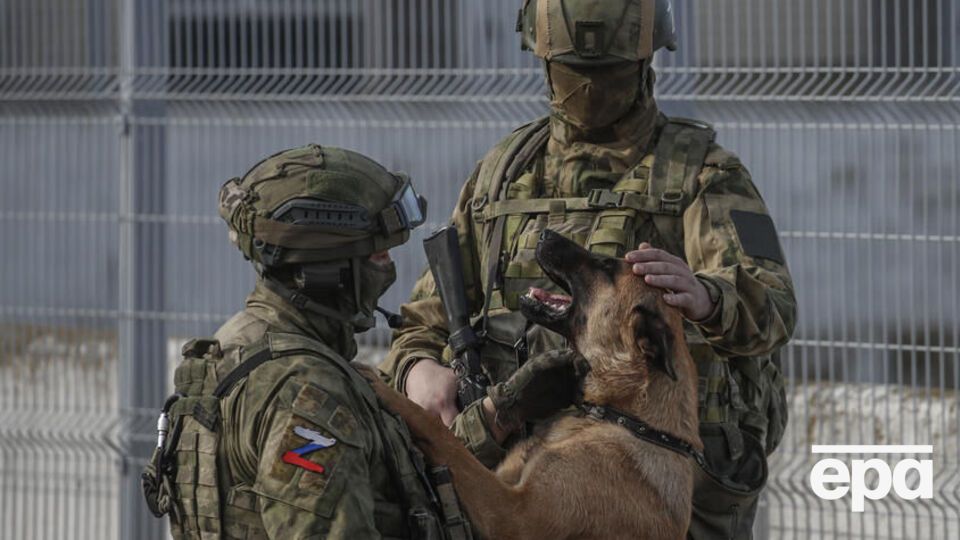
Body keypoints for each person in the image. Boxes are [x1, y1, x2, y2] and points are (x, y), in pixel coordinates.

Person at [379, 1, 797, 538]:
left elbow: (774, 306)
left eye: (609, 71)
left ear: (644, 61)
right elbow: (426, 318)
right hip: (518, 483)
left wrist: (708, 298)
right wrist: (417, 368)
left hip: (661, 489)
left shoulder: (699, 175)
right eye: (575, 70)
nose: (591, 87)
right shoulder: (504, 175)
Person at [140, 144, 578, 539]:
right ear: (328, 270)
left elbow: (400, 484)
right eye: (377, 255)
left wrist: (495, 417)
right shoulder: (306, 394)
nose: (389, 270)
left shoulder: (241, 347)